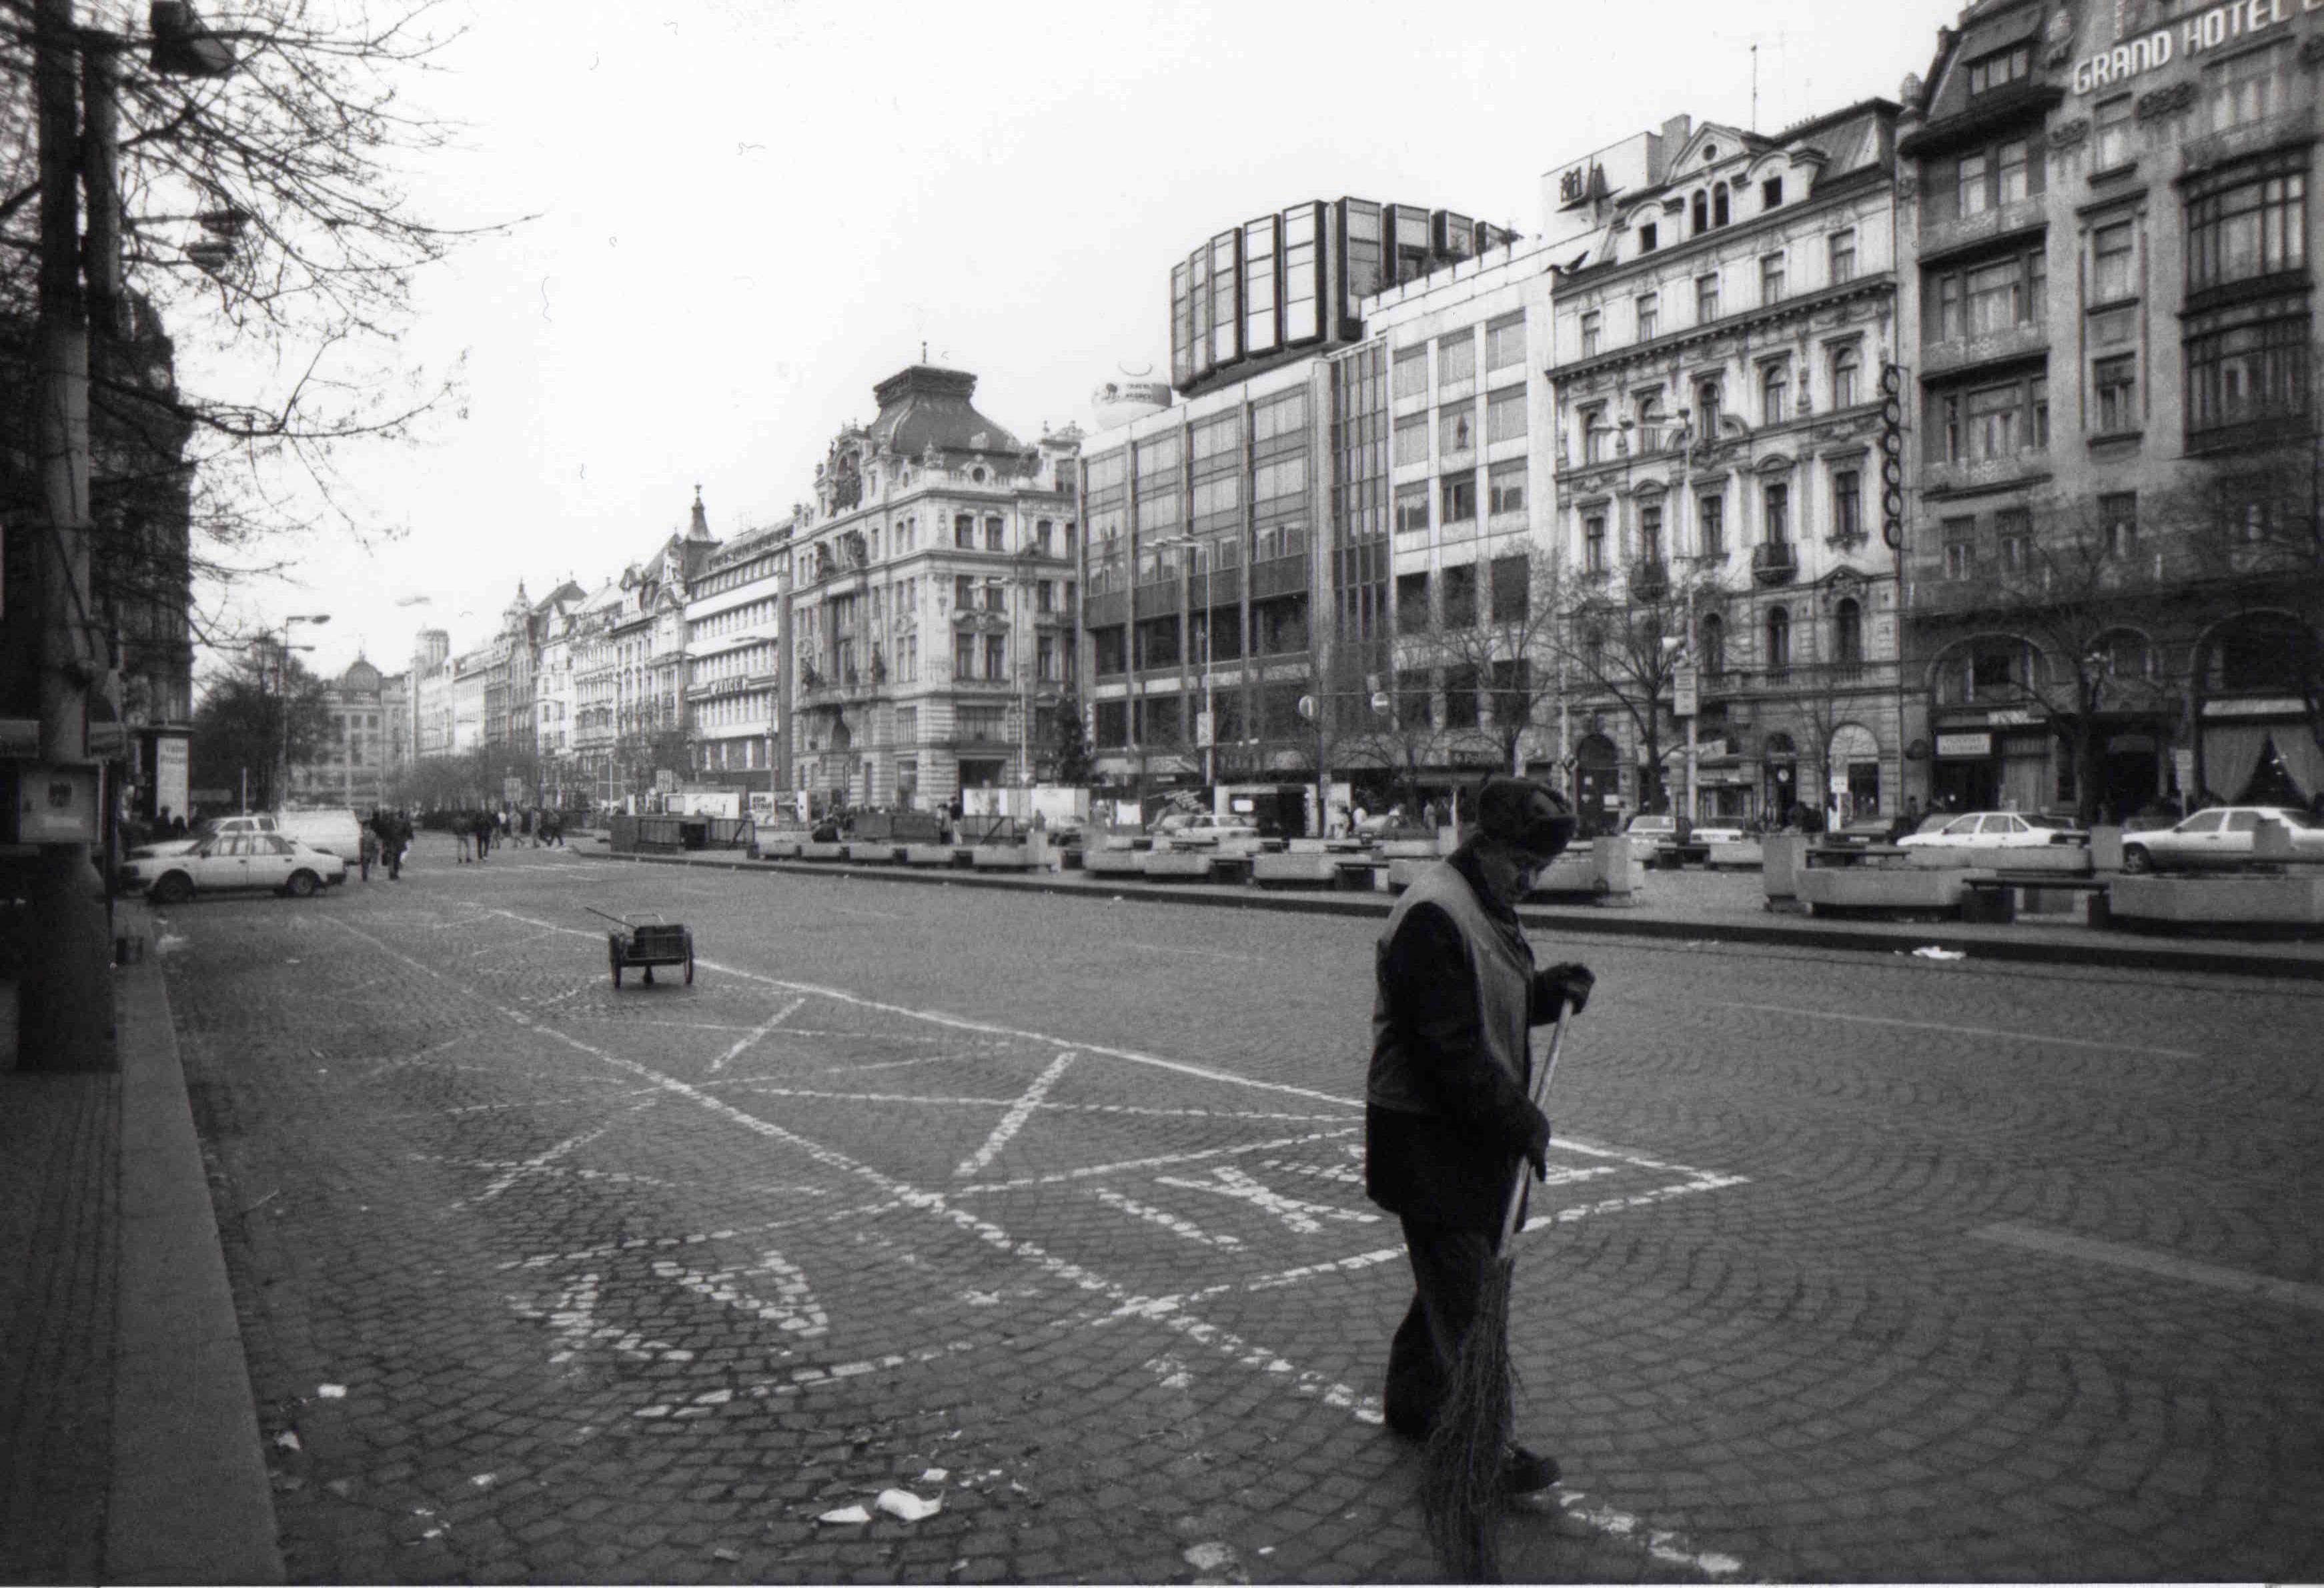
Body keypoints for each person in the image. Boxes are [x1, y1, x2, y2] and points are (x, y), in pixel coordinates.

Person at [1365, 774, 1594, 1496]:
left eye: (1540, 868)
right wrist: (1519, 1118)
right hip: (1429, 1137)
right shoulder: (1435, 914)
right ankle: (1481, 1448)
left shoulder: (1481, 902)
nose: (1529, 880)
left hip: (1458, 1134)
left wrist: (1547, 989)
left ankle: (1411, 1400)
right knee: (1467, 1298)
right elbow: (1448, 1049)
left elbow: (1488, 995)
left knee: (1446, 1278)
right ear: (1484, 844)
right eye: (1521, 864)